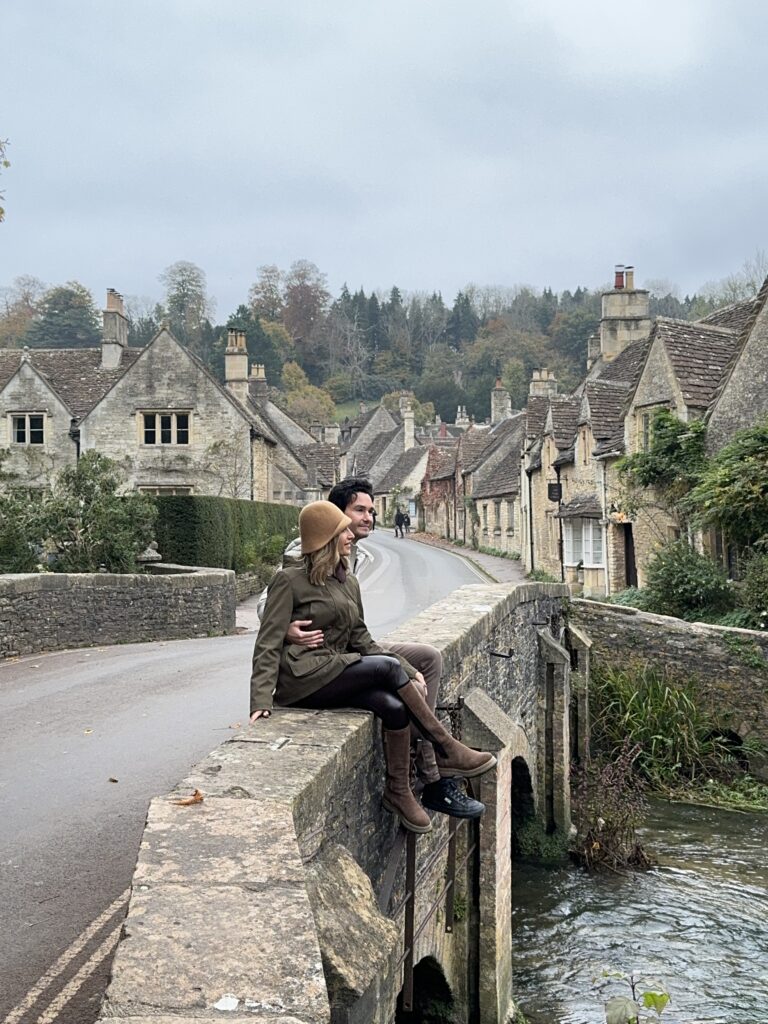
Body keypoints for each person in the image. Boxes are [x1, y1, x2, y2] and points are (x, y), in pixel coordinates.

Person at [250, 500, 496, 833]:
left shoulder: (347, 581)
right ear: (326, 538)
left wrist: (408, 669)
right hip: (302, 679)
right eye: (342, 531)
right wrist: (260, 702)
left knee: (392, 706)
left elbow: (362, 639)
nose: (350, 536)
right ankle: (445, 746)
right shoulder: (290, 580)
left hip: (334, 670)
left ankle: (398, 790)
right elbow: (267, 641)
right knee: (384, 669)